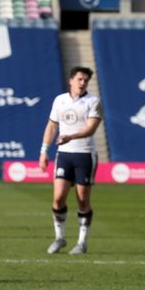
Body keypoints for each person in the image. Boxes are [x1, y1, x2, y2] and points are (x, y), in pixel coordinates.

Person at [38, 66, 103, 255]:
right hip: (64, 155)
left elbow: (91, 129)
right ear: (71, 80)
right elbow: (52, 126)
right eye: (80, 79)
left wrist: (70, 137)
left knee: (82, 199)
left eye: (86, 80)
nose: (83, 83)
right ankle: (60, 238)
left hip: (85, 154)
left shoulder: (93, 101)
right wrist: (44, 151)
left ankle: (82, 242)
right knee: (58, 198)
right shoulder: (60, 100)